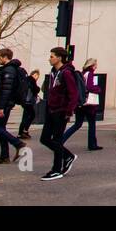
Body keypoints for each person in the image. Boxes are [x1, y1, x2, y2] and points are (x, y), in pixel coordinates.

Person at [40, 47, 79, 181]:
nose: (49, 59)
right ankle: (68, 156)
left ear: (59, 58)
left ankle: (57, 169)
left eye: (52, 56)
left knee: (56, 140)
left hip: (61, 111)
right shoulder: (53, 72)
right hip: (51, 109)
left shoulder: (66, 73)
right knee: (44, 138)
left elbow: (73, 94)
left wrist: (69, 111)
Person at [0, 48, 26, 165]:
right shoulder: (9, 69)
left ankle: (18, 143)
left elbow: (6, 90)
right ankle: (4, 156)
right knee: (1, 128)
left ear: (5, 57)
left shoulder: (9, 70)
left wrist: (0, 107)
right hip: (5, 104)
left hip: (3, 104)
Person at [63, 57, 103, 151]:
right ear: (92, 65)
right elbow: (89, 87)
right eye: (96, 64)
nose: (96, 66)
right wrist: (98, 89)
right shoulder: (90, 74)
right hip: (88, 103)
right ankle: (92, 144)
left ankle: (61, 140)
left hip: (80, 102)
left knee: (77, 124)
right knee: (92, 123)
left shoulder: (83, 73)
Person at [17, 70, 40, 140]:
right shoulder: (31, 80)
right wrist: (37, 89)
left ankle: (21, 132)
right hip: (28, 101)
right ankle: (23, 131)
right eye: (36, 75)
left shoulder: (27, 80)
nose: (36, 77)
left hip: (25, 101)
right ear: (32, 74)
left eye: (37, 76)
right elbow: (35, 89)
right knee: (31, 115)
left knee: (26, 116)